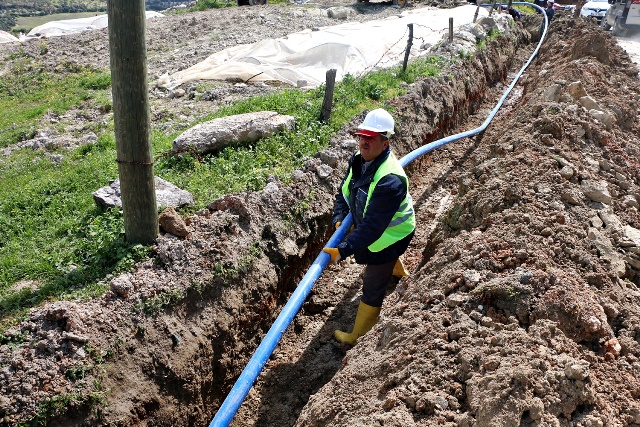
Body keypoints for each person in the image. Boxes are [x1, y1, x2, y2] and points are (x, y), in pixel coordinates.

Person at [323, 109, 416, 346]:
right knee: (378, 256)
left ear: (385, 143)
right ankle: (395, 270)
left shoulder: (390, 179)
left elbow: (374, 227)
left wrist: (343, 249)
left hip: (392, 235)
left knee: (373, 282)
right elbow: (344, 192)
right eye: (362, 136)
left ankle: (357, 336)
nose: (364, 141)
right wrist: (340, 217)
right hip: (378, 230)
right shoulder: (358, 159)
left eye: (371, 137)